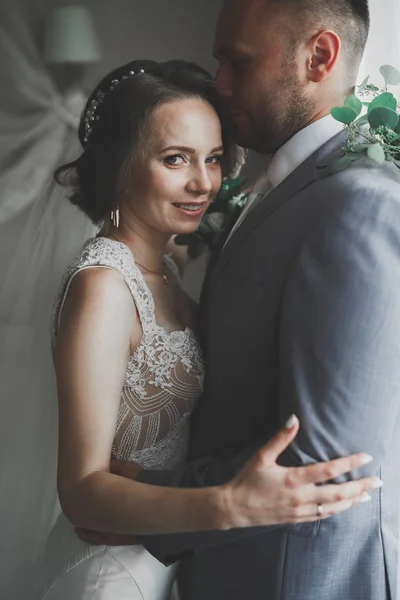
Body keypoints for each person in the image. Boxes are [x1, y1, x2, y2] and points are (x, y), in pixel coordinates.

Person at [79, 2, 400, 599]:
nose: (220, 83)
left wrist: (149, 497)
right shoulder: (279, 184)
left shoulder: (360, 201)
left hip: (293, 577)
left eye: (238, 61)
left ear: (320, 56)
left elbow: (327, 461)